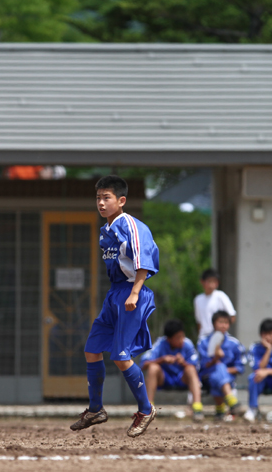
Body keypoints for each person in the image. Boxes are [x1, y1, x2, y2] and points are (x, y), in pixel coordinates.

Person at [71, 175, 159, 438]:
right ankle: (96, 409)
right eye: (98, 198)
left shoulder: (131, 225)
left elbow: (145, 260)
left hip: (132, 292)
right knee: (92, 349)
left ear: (121, 201)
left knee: (121, 356)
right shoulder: (106, 231)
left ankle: (146, 409)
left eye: (106, 198)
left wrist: (134, 293)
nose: (100, 203)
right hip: (114, 294)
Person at [141, 319, 203, 422]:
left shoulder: (187, 343)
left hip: (182, 378)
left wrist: (183, 363)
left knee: (190, 369)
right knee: (153, 368)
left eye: (182, 336)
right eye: (178, 338)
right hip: (165, 378)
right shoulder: (160, 343)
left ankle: (197, 409)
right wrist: (162, 360)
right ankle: (148, 410)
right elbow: (144, 364)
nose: (181, 340)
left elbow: (198, 366)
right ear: (168, 339)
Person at [197, 311, 246, 421]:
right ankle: (232, 402)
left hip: (227, 376)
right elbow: (203, 366)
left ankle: (220, 411)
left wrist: (223, 369)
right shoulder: (204, 342)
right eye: (220, 322)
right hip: (206, 377)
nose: (224, 325)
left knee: (219, 371)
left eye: (226, 322)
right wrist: (215, 358)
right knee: (218, 368)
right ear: (214, 323)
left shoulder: (234, 343)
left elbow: (240, 367)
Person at [194, 268, 236, 341]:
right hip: (204, 337)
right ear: (202, 282)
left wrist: (222, 327)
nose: (212, 284)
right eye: (209, 281)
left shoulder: (220, 296)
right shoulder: (198, 299)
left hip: (218, 336)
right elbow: (199, 322)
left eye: (214, 281)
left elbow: (232, 315)